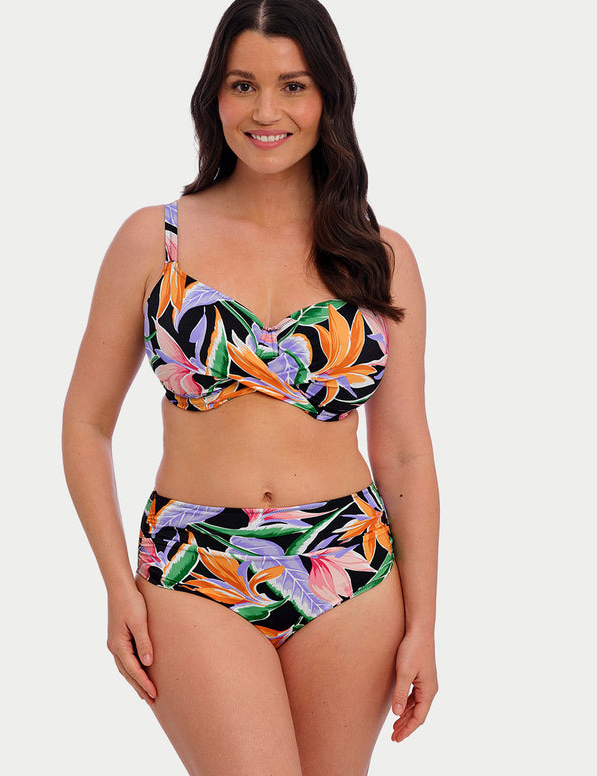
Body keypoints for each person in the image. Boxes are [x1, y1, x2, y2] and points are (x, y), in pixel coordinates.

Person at [62, 0, 439, 773]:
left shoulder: (381, 258)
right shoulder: (153, 240)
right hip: (194, 565)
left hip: (349, 562)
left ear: (328, 96)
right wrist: (116, 587)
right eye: (243, 85)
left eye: (292, 86)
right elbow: (85, 425)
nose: (267, 111)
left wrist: (424, 625)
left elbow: (404, 452)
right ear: (215, 98)